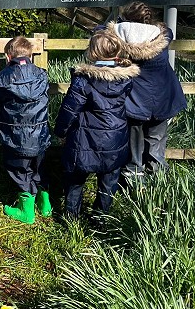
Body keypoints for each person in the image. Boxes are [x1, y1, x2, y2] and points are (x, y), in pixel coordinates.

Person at [55, 31, 139, 219]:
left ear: (92, 53)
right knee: (108, 182)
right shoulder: (126, 78)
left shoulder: (84, 80)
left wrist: (60, 131)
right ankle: (101, 219)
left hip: (84, 140)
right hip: (114, 138)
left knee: (75, 181)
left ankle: (72, 219)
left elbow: (69, 110)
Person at [106, 1, 187, 183]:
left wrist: (116, 24)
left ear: (126, 20)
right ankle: (158, 185)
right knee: (156, 144)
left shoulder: (119, 38)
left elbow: (100, 31)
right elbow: (169, 32)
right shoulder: (162, 38)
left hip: (134, 101)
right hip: (162, 99)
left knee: (133, 149)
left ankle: (134, 186)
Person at [0, 36, 51, 224]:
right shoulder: (42, 75)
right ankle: (45, 205)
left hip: (15, 137)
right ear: (30, 54)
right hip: (40, 134)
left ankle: (26, 212)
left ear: (7, 55)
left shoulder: (3, 78)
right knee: (39, 167)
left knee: (20, 170)